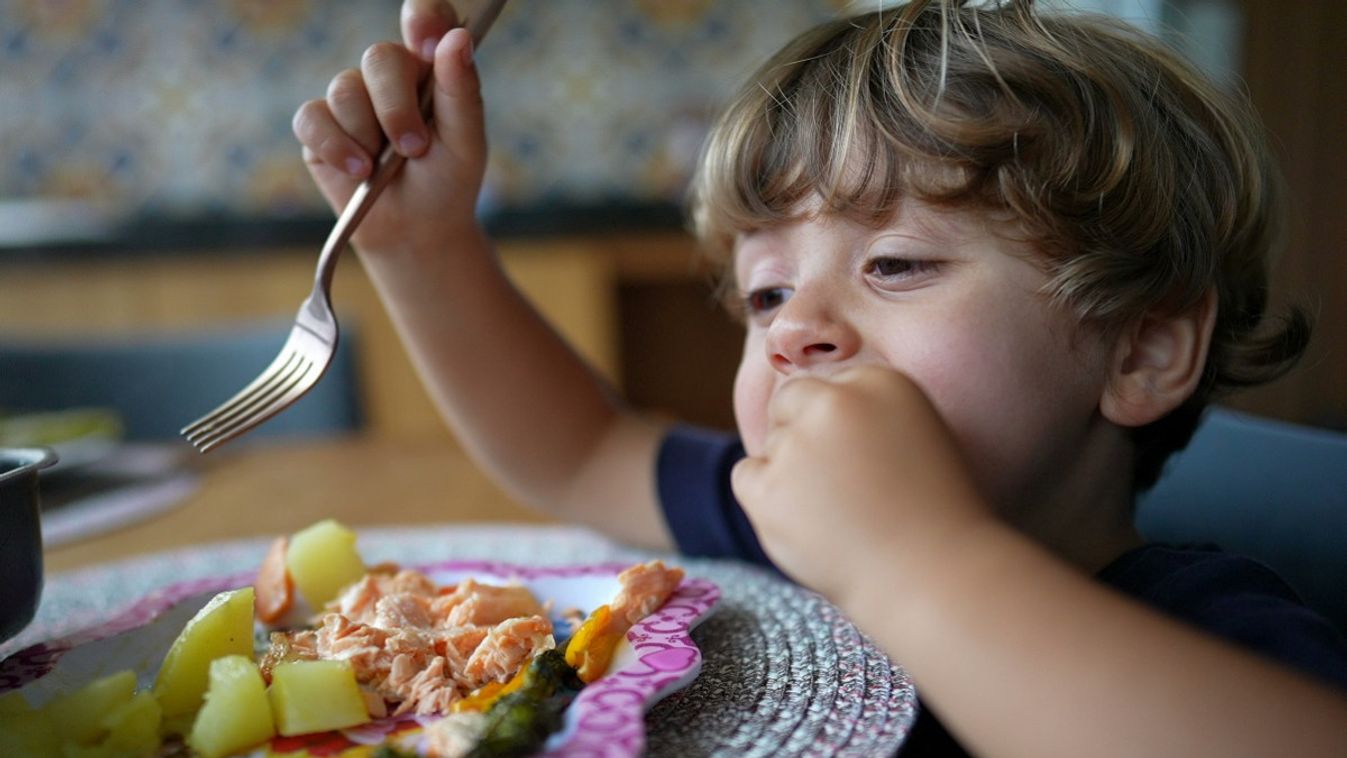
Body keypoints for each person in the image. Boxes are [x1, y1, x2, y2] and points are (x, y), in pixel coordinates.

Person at [292, 0, 1347, 754]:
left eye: (894, 264)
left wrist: (910, 558)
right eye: (764, 295)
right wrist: (423, 249)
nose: (796, 328)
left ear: (1141, 349)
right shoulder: (803, 525)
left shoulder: (1213, 633)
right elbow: (580, 451)